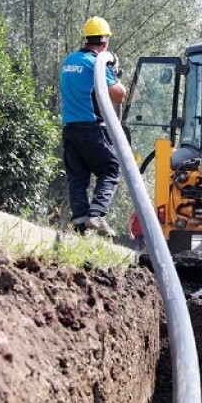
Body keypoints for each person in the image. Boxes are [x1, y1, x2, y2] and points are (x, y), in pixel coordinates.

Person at [60, 16, 126, 237]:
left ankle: (79, 221)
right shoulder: (96, 63)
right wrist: (114, 74)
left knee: (78, 176)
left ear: (86, 37)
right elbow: (119, 95)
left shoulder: (69, 61)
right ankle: (96, 214)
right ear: (105, 42)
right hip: (92, 128)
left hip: (70, 129)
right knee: (111, 168)